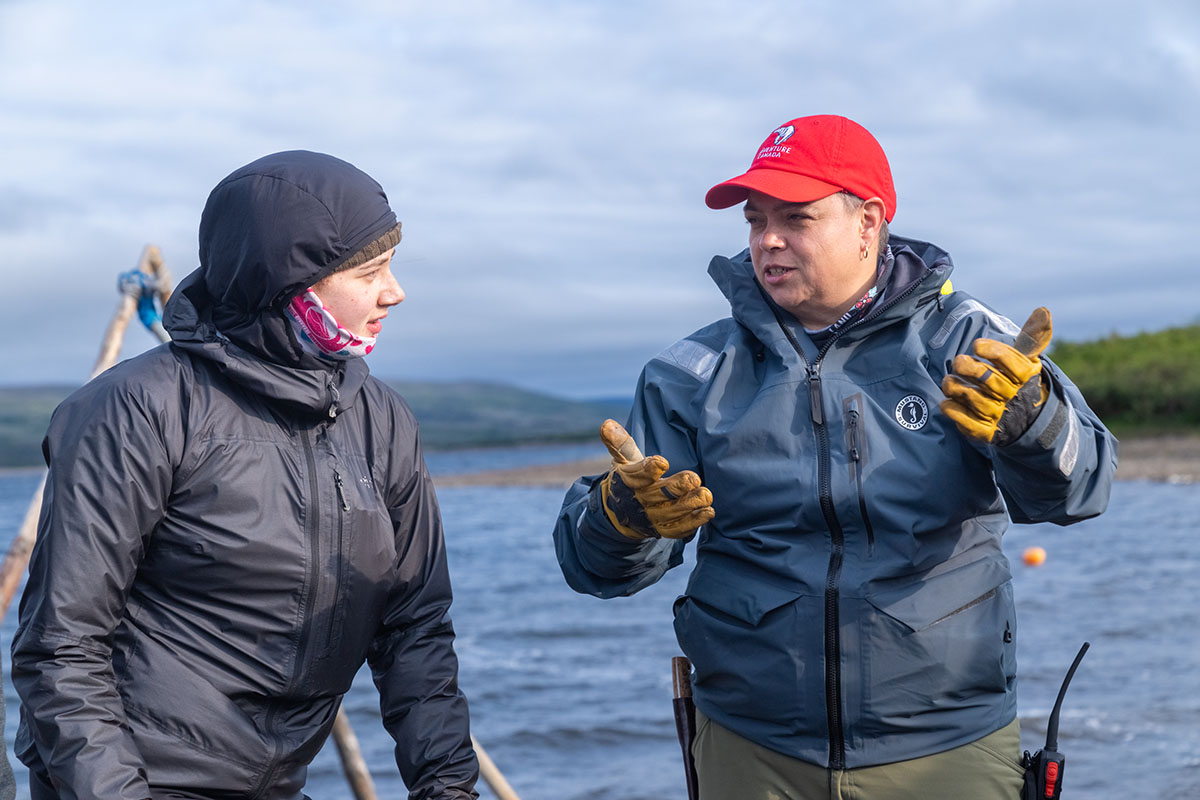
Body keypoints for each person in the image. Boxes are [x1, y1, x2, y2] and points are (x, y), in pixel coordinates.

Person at [553, 115, 1117, 799]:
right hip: (750, 747)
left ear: (868, 222)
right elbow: (597, 572)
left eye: (796, 217)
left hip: (945, 746)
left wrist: (1034, 421)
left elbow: (1081, 489)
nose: (768, 240)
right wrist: (620, 517)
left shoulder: (971, 342)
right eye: (756, 220)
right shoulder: (692, 373)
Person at [12, 151, 479, 800]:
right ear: (293, 281)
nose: (394, 291)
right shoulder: (137, 409)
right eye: (371, 271)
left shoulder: (383, 420)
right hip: (126, 783)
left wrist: (449, 789)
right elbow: (62, 648)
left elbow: (416, 631)